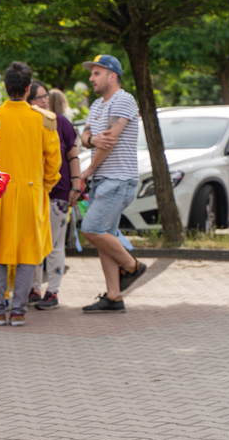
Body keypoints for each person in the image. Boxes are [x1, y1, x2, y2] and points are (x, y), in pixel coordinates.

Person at [0, 62, 61, 327]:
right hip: (32, 196)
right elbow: (54, 165)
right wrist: (44, 187)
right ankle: (18, 311)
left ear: (6, 88)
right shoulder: (44, 120)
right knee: (27, 253)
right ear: (29, 88)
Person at [79, 54, 146, 313]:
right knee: (103, 236)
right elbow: (87, 136)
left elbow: (109, 141)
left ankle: (133, 266)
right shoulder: (97, 105)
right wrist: (91, 140)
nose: (91, 78)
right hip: (104, 180)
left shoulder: (123, 100)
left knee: (92, 229)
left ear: (112, 75)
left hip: (118, 179)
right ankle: (114, 297)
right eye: (91, 73)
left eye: (96, 73)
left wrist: (88, 170)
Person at [26, 81, 82, 310]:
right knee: (32, 243)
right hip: (31, 193)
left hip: (58, 193)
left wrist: (76, 184)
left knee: (54, 245)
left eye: (44, 96)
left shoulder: (61, 123)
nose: (43, 101)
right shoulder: (27, 123)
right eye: (38, 98)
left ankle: (53, 292)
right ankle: (33, 289)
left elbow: (73, 154)